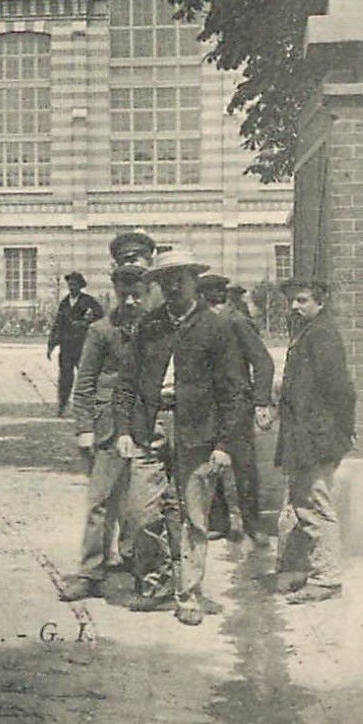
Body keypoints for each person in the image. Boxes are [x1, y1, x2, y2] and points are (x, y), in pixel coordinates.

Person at [133, 247, 246, 626]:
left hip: (197, 430)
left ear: (194, 281)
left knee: (194, 515)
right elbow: (127, 385)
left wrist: (226, 445)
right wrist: (123, 430)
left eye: (180, 278)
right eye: (166, 280)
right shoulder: (150, 327)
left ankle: (190, 595)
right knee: (142, 512)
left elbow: (234, 392)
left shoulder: (217, 328)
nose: (173, 286)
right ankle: (158, 583)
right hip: (152, 426)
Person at [56, 263, 151, 601]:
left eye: (137, 295)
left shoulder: (156, 331)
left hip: (145, 425)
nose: (130, 302)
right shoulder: (101, 331)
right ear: (114, 291)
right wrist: (83, 427)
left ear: (147, 293)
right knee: (100, 501)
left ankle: (138, 562)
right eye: (124, 294)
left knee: (140, 503)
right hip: (106, 427)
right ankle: (90, 572)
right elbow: (84, 384)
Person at [275, 277, 355, 604]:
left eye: (303, 300)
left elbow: (340, 390)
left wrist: (334, 433)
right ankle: (310, 570)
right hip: (303, 435)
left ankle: (327, 578)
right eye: (292, 300)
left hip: (315, 436)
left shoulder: (322, 334)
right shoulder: (308, 333)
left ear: (320, 303)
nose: (295, 306)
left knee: (316, 505)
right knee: (303, 503)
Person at [200, 273, 277, 543]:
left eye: (217, 298)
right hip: (209, 403)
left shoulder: (237, 322)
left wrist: (261, 401)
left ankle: (253, 524)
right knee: (212, 461)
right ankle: (219, 521)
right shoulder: (199, 323)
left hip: (238, 402)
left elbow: (263, 362)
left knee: (243, 464)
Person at [47, 271, 104, 416]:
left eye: (74, 284)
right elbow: (58, 324)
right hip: (66, 347)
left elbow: (101, 317)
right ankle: (62, 405)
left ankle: (90, 407)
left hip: (83, 345)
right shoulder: (65, 303)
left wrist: (86, 322)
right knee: (65, 377)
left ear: (80, 286)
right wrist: (51, 345)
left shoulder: (88, 301)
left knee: (86, 376)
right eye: (70, 285)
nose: (71, 287)